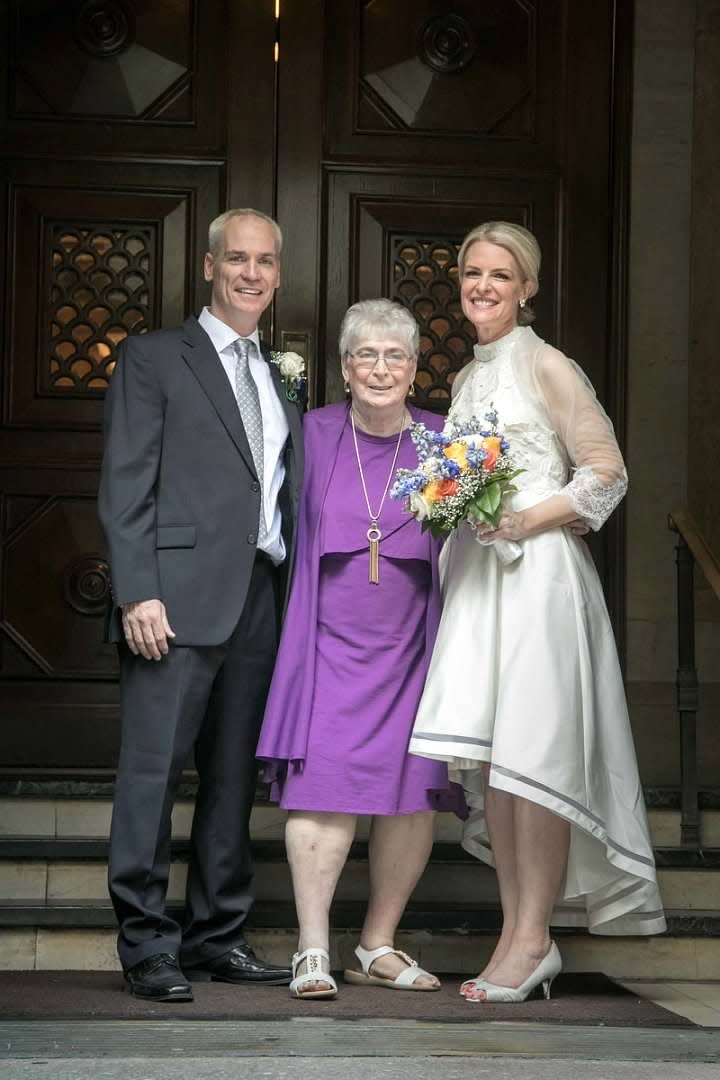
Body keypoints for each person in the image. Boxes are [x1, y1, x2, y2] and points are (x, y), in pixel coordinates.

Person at [409, 222, 665, 1004]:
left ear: (528, 288)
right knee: (497, 763)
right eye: (472, 273)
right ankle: (519, 933)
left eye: (500, 274)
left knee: (537, 759)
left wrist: (524, 519)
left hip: (540, 581)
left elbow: (607, 473)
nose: (482, 286)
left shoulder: (546, 364)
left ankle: (531, 940)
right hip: (483, 582)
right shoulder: (464, 381)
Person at [98, 208, 303, 1001]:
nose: (251, 272)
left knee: (230, 777)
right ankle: (148, 943)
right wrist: (137, 588)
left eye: (265, 261)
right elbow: (126, 481)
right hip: (172, 599)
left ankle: (217, 934)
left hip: (257, 593)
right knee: (154, 772)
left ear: (279, 274)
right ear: (210, 268)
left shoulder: (276, 373)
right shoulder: (154, 358)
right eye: (237, 259)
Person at [256, 299, 460, 999]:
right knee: (322, 788)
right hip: (325, 647)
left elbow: (475, 539)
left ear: (413, 368)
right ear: (345, 369)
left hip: (413, 650)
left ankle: (377, 942)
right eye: (366, 355)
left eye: (395, 355)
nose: (381, 367)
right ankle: (312, 948)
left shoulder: (442, 440)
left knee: (411, 795)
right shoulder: (309, 433)